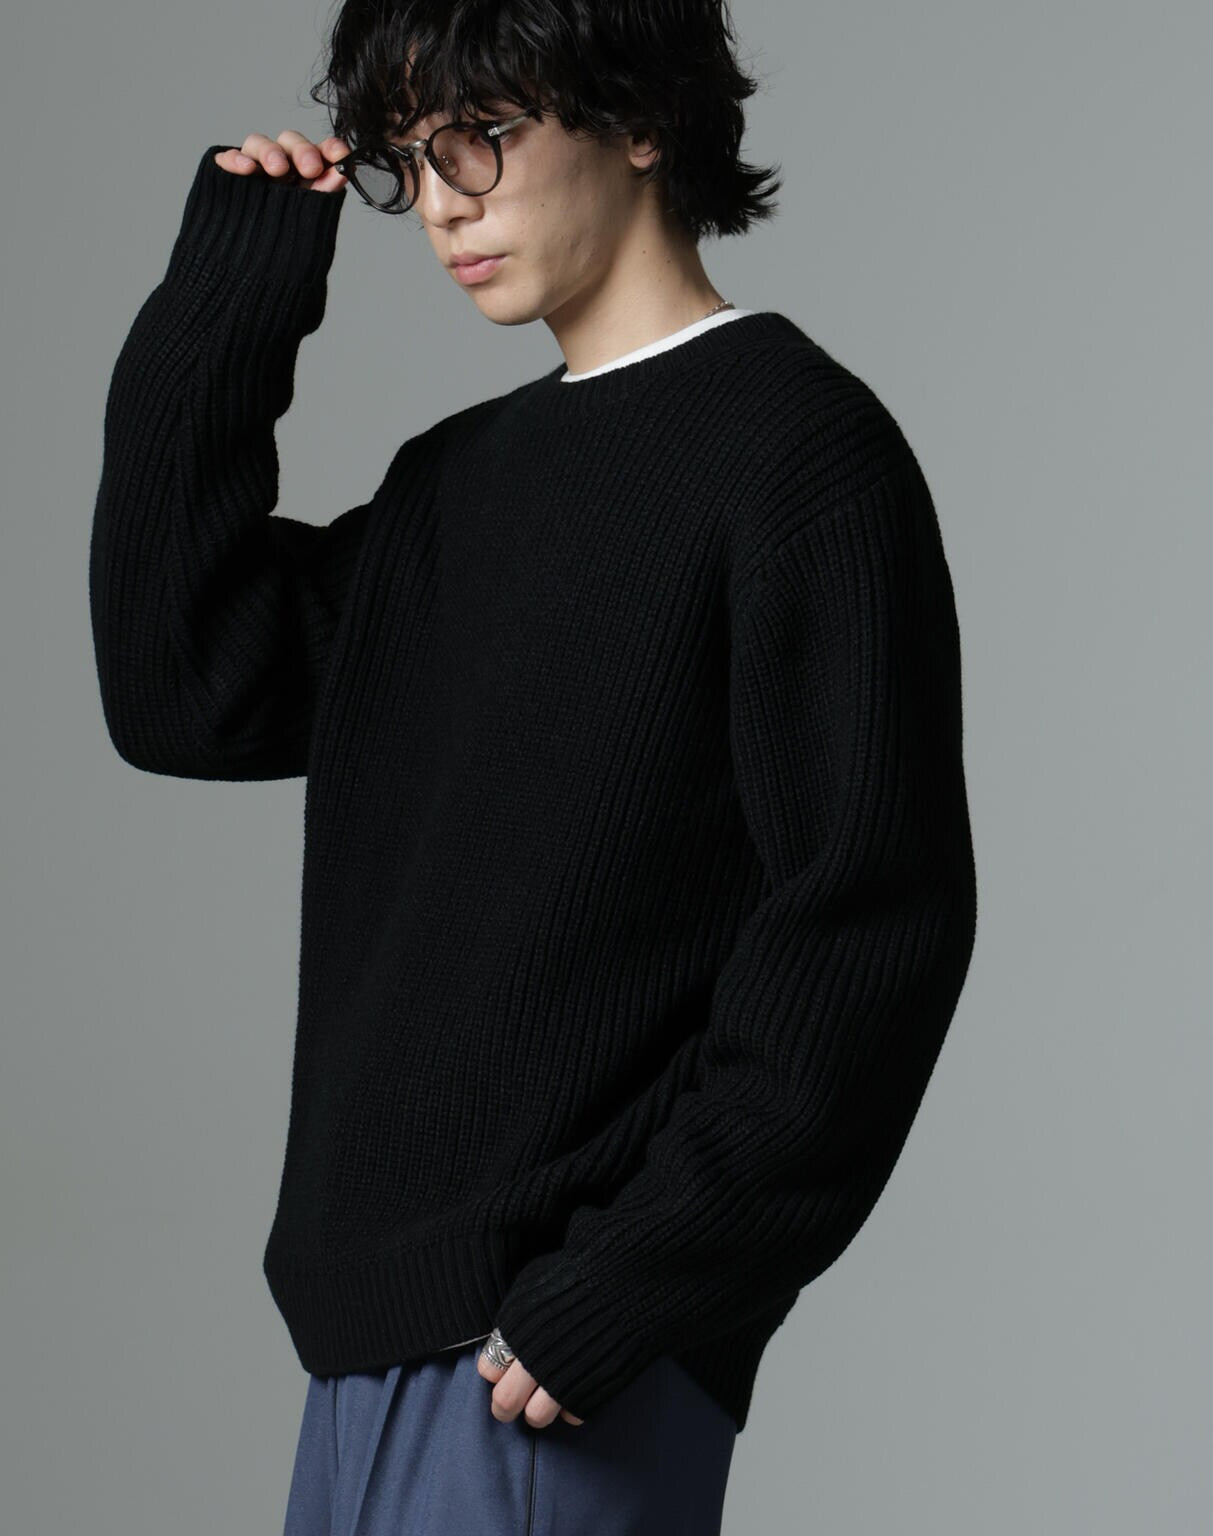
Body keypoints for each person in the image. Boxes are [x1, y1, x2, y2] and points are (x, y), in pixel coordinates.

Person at [88, 3, 978, 1532]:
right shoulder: (452, 489)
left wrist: (633, 1284)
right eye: (409, 158)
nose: (442, 202)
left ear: (639, 120)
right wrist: (234, 289)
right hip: (362, 1359)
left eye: (481, 139)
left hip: (547, 1371)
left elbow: (867, 929)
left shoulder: (793, 455)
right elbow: (183, 688)